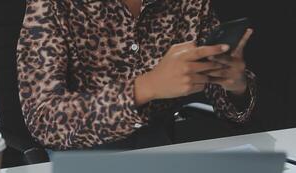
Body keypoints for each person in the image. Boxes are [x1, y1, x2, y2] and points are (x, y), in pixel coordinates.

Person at [16, 0, 256, 150]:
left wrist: (235, 85)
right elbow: (43, 119)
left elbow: (226, 103)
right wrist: (145, 87)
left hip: (162, 150)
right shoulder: (53, 4)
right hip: (83, 160)